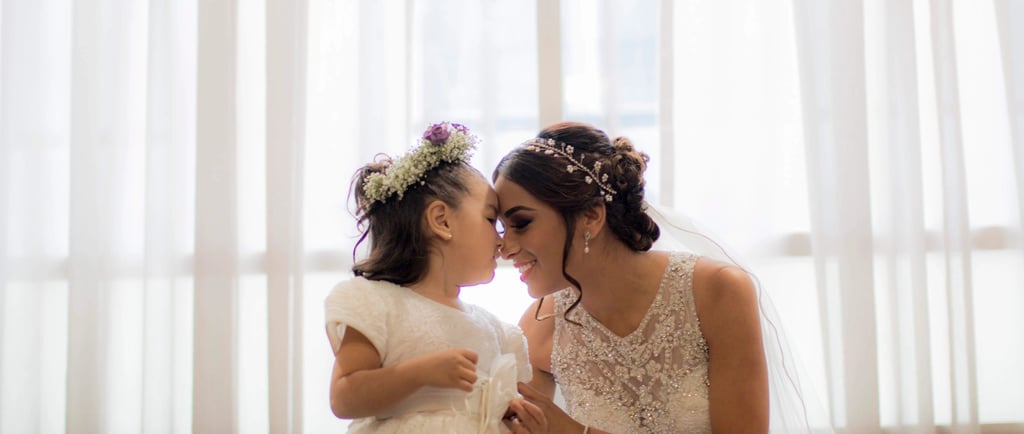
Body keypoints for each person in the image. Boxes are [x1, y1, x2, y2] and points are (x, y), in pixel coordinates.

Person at [493, 122, 818, 433]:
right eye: (501, 228)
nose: (505, 248)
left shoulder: (718, 293)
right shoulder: (539, 328)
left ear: (591, 216)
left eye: (521, 224)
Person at [324, 122, 546, 434]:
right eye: (490, 219)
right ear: (441, 220)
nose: (501, 240)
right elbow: (343, 398)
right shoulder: (378, 303)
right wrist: (419, 373)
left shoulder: (497, 331)